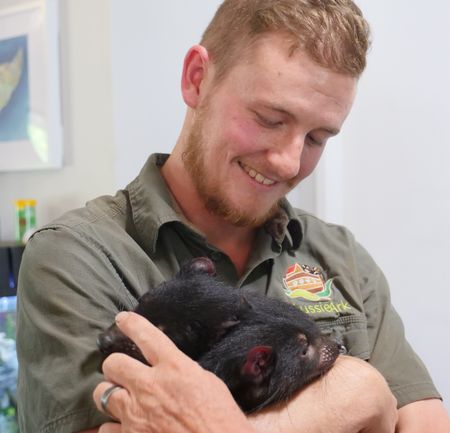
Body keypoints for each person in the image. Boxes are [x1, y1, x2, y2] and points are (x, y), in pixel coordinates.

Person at [16, 0, 449, 432]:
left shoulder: (342, 256)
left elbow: (426, 423)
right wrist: (357, 394)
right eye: (270, 119)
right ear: (197, 79)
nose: (288, 162)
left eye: (317, 138)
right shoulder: (79, 257)